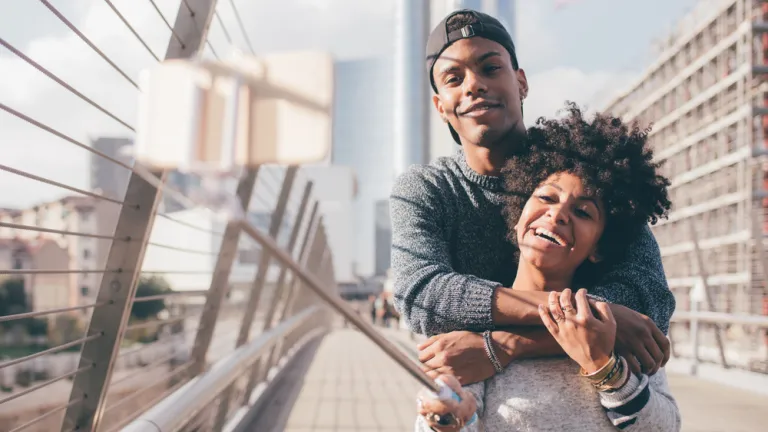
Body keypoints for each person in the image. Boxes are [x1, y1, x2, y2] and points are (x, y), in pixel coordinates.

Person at [390, 9, 675, 386]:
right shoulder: (426, 189)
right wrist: (596, 313)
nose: (473, 85)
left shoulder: (582, 169)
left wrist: (505, 346)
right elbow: (422, 295)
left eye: (490, 68)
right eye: (454, 78)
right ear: (440, 105)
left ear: (521, 82)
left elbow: (647, 299)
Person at [416, 103, 680, 431]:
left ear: (600, 247)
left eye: (583, 212)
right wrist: (447, 417)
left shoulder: (618, 331)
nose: (557, 215)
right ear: (517, 213)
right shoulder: (471, 331)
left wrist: (604, 367)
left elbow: (664, 428)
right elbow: (445, 417)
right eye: (546, 198)